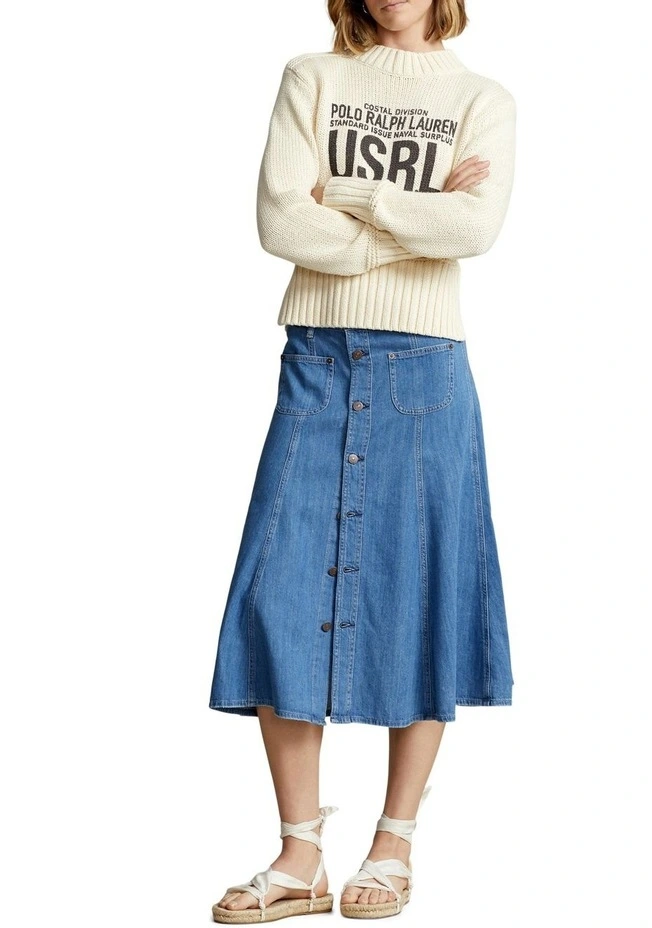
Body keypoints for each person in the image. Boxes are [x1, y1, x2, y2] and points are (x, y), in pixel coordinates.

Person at [209, 0, 516, 921]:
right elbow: (280, 225)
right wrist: (419, 215)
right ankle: (300, 856)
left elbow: (474, 232)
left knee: (420, 594)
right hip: (318, 358)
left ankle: (395, 844)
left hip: (427, 368)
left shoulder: (482, 99)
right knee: (278, 593)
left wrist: (351, 196)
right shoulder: (312, 78)